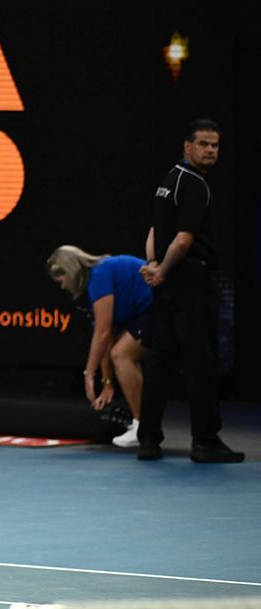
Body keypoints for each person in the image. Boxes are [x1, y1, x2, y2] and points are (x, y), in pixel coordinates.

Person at [136, 120, 243, 463]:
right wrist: (163, 270)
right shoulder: (195, 185)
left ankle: (149, 440)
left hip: (168, 285)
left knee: (161, 362)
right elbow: (183, 240)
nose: (211, 150)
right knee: (201, 362)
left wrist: (154, 265)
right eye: (204, 144)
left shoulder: (168, 181)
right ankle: (205, 441)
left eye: (215, 145)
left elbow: (156, 229)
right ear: (187, 146)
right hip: (190, 282)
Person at [45, 245, 153, 447]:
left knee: (122, 355)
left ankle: (144, 427)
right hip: (145, 313)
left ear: (71, 272)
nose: (62, 287)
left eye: (62, 281)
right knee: (120, 353)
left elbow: (103, 333)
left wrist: (89, 374)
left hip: (159, 307)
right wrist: (107, 383)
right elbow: (105, 336)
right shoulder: (91, 290)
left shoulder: (99, 274)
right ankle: (145, 424)